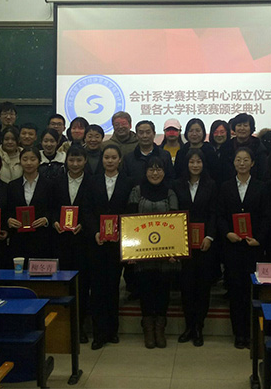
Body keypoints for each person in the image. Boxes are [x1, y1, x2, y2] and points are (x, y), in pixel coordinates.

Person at [217, 147, 271, 349]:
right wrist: (227, 233)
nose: (242, 163)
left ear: (252, 163)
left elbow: (266, 216)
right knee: (235, 291)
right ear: (233, 163)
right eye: (238, 159)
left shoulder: (261, 187)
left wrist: (259, 239)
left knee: (251, 292)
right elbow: (220, 215)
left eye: (246, 159)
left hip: (252, 247)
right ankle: (238, 334)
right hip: (232, 247)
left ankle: (251, 333)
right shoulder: (225, 186)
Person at [127, 156, 180, 349]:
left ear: (165, 172)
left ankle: (160, 328)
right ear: (145, 171)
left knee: (163, 291)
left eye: (159, 169)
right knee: (146, 290)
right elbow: (130, 222)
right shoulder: (137, 191)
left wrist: (175, 250)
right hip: (142, 254)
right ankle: (148, 328)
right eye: (151, 169)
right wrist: (130, 251)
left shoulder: (170, 193)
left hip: (165, 255)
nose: (155, 173)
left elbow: (175, 223)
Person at [88, 144, 133, 350]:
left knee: (113, 287)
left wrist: (122, 233)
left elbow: (131, 212)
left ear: (120, 160)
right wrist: (95, 232)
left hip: (118, 243)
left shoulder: (128, 182)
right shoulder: (93, 181)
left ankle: (112, 330)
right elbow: (87, 210)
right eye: (106, 157)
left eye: (114, 157)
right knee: (97, 288)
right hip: (97, 243)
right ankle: (99, 332)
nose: (110, 160)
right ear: (102, 159)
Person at [174, 149, 218, 347]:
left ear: (203, 164)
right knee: (186, 287)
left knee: (202, 287)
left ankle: (199, 326)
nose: (195, 165)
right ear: (186, 164)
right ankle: (189, 326)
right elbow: (174, 214)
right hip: (184, 244)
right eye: (191, 162)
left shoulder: (211, 185)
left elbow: (214, 213)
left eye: (198, 161)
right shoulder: (177, 184)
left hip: (204, 244)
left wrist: (210, 236)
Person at [50, 146, 93, 343]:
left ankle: (80, 326)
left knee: (82, 286)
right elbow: (50, 208)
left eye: (79, 160)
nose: (75, 164)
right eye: (71, 160)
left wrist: (84, 224)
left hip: (83, 242)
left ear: (85, 161)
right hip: (60, 242)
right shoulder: (56, 182)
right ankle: (63, 327)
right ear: (66, 161)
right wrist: (54, 221)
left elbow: (95, 209)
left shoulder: (93, 182)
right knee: (62, 285)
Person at [6, 147, 52, 259]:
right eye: (25, 159)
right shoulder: (12, 186)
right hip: (18, 238)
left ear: (39, 161)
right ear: (20, 161)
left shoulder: (49, 185)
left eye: (33, 159)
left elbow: (54, 208)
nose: (29, 163)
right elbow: (7, 209)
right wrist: (9, 220)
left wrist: (46, 219)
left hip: (42, 237)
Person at [230, 113, 268, 180]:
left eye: (245, 125)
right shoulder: (227, 146)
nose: (242, 128)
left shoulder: (259, 147)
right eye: (239, 125)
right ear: (234, 128)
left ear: (251, 128)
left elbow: (262, 171)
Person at [208, 119, 234, 186]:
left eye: (222, 132)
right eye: (216, 132)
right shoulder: (207, 149)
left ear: (227, 133)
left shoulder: (233, 149)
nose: (219, 135)